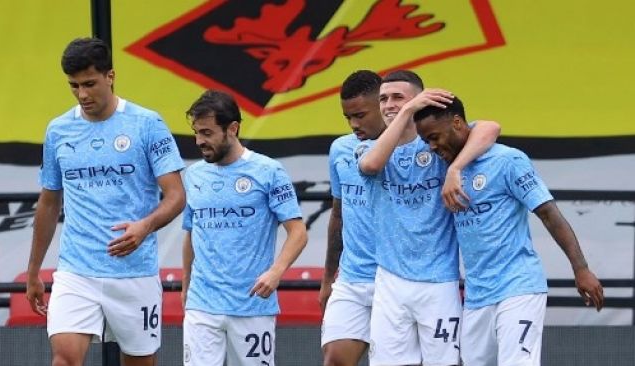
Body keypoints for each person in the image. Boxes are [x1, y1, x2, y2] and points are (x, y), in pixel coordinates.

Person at [26, 37, 186, 366]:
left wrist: (144, 227)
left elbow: (176, 195)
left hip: (134, 272)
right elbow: (48, 203)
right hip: (76, 270)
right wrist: (33, 271)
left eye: (89, 83)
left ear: (110, 76)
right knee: (65, 359)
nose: (82, 94)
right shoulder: (58, 130)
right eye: (73, 86)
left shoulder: (147, 124)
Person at [413, 96, 604, 366]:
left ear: (457, 122)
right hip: (477, 295)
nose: (432, 146)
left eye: (434, 137)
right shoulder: (443, 166)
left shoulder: (507, 161)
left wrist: (581, 268)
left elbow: (548, 213)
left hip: (518, 286)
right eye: (426, 141)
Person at [357, 70, 501, 366]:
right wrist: (408, 109)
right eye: (383, 99)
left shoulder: (438, 141)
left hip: (439, 279)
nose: (388, 104)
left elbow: (490, 127)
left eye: (399, 97)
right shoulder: (369, 147)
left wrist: (454, 168)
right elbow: (370, 166)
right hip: (390, 279)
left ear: (423, 99)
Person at [181, 90, 308, 366]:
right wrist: (185, 288)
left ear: (233, 129)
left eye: (207, 132)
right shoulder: (193, 175)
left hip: (252, 304)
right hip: (202, 304)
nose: (199, 141)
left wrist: (275, 273)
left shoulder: (269, 171)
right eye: (196, 133)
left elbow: (298, 233)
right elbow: (191, 233)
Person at [319, 70, 386, 366]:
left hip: (396, 280)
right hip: (351, 278)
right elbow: (339, 213)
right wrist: (327, 278)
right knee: (335, 359)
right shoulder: (340, 149)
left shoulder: (418, 146)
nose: (354, 124)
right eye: (348, 117)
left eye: (360, 114)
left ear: (383, 106)